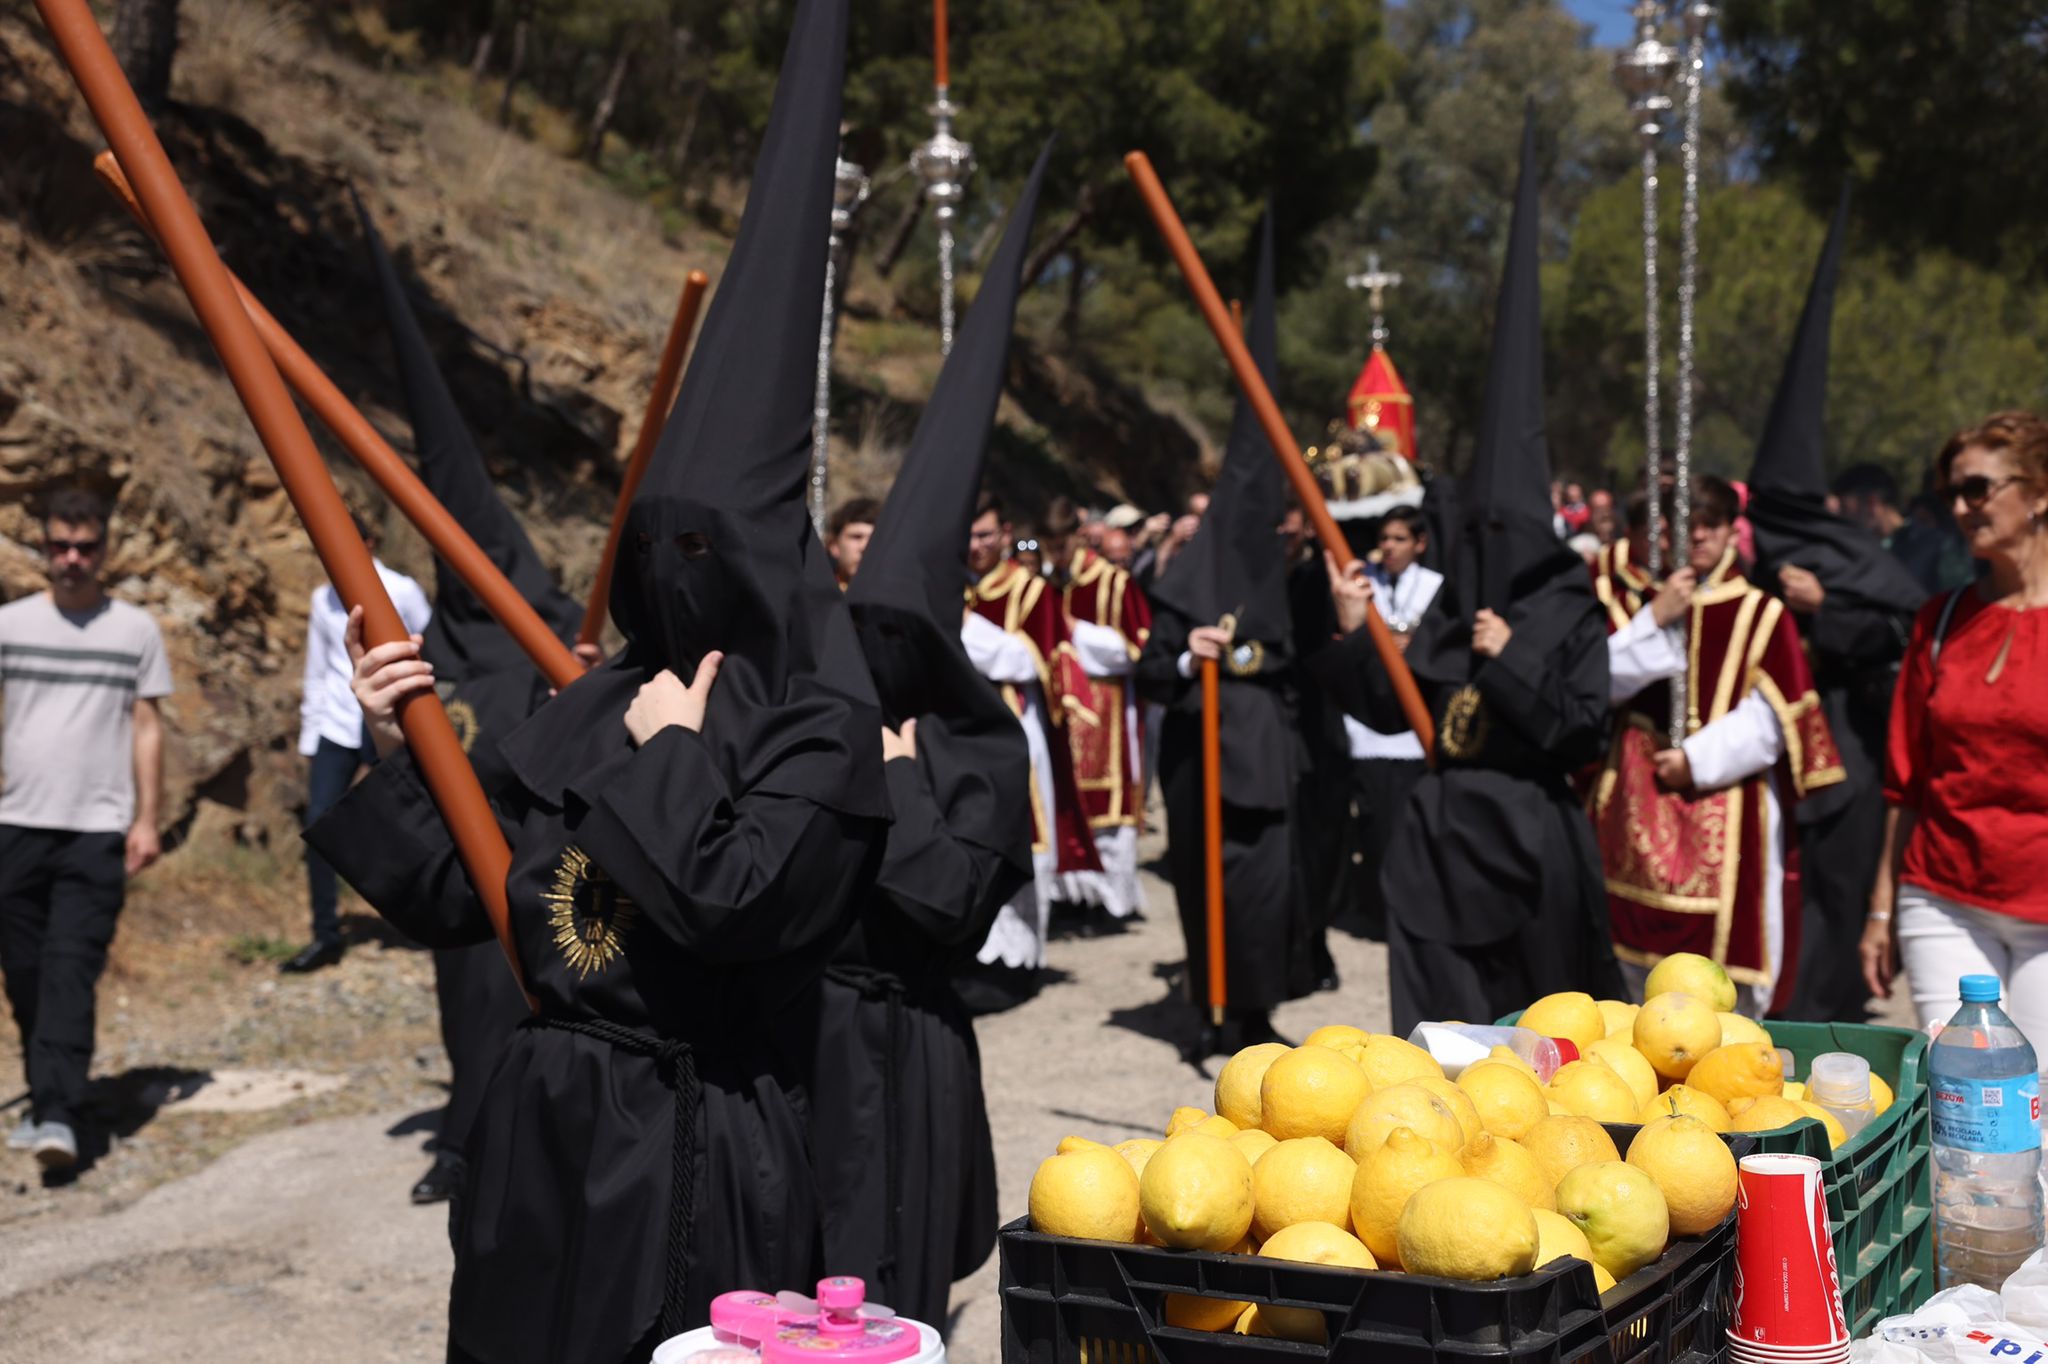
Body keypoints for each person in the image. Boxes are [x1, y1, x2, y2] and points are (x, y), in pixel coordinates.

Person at [309, 5, 892, 1356]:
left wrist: (672, 748)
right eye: (657, 548)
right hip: (542, 1134)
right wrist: (400, 735)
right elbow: (450, 889)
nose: (679, 581)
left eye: (708, 550)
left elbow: (735, 904)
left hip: (698, 1152)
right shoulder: (588, 702)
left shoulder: (823, 729)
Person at [1315, 116, 1622, 1032]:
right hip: (1435, 851)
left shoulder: (1570, 607)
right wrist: (1354, 632)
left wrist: (1511, 657)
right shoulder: (1456, 600)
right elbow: (1389, 705)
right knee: (1439, 1047)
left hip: (1531, 850)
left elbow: (1583, 733)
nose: (1484, 545)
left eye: (1500, 531)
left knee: (1544, 1047)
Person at [814, 145, 1046, 1322]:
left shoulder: (980, 745)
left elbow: (949, 901)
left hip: (908, 1040)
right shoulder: (817, 710)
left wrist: (900, 780)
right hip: (803, 1040)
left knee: (893, 1293)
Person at [354, 190, 599, 1204]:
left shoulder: (562, 630)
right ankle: (464, 1141)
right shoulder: (432, 646)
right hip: (468, 856)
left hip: (561, 863)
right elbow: (410, 761)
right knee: (468, 1000)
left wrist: (584, 679)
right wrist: (383, 723)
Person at [1741, 196, 1925, 1022]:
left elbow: (1901, 629)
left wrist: (1827, 608)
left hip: (1851, 758)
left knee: (1838, 898)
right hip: (1775, 755)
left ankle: (1834, 1018)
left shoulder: (1855, 561)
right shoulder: (1761, 554)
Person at [1138, 213, 1312, 1058]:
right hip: (1202, 761)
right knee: (1209, 888)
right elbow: (1147, 672)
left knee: (1267, 892)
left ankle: (1256, 1012)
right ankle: (1210, 1011)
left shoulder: (1288, 579)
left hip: (1267, 763)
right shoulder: (1187, 584)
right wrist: (1187, 653)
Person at [1593, 476, 1845, 1014]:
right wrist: (1655, 619)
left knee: (1725, 983)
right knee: (1625, 973)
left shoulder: (1761, 611)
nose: (1700, 536)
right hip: (1636, 796)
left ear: (1733, 529)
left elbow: (1774, 717)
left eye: (1711, 524)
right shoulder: (1636, 600)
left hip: (1730, 798)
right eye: (1689, 525)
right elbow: (1598, 682)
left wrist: (1697, 759)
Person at [1863, 412, 2048, 1051]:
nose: (1962, 508)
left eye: (1978, 489)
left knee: (2039, 1095)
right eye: (1952, 493)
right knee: (1958, 1090)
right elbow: (1905, 783)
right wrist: (1881, 910)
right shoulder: (1939, 621)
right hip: (1942, 900)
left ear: (2039, 492)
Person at [0, 485, 171, 1171]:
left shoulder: (135, 631)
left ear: (104, 551)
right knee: (25, 972)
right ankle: (47, 1095)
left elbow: (147, 726)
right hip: (15, 824)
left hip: (97, 828)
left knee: (71, 967)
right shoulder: (11, 625)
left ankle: (60, 1115)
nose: (72, 558)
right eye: (60, 546)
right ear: (43, 548)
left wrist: (147, 819)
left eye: (85, 547)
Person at [962, 494, 1098, 1007]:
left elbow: (1028, 660)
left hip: (1016, 733)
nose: (975, 546)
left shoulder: (1029, 589)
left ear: (1005, 534)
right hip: (957, 736)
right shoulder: (953, 585)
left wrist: (960, 624)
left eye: (985, 535)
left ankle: (1018, 960)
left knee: (1022, 839)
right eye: (968, 535)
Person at [287, 511, 431, 974]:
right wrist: (310, 735)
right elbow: (317, 668)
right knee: (319, 824)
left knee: (407, 821)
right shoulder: (322, 599)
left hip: (390, 724)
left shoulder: (403, 591)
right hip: (336, 724)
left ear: (369, 543)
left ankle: (423, 918)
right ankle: (325, 935)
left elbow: (431, 650)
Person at [1339, 507, 1443, 942]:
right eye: (1385, 538)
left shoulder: (1436, 586)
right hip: (1369, 725)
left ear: (1420, 543)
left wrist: (1416, 646)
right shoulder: (1362, 584)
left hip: (1415, 725)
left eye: (1400, 539)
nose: (1390, 547)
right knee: (1375, 826)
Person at [1050, 496, 1152, 929]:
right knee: (1065, 803)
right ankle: (1072, 897)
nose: (1056, 555)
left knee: (1108, 811)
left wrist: (1077, 632)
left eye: (1061, 545)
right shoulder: (1050, 584)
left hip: (1105, 709)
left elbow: (1136, 650)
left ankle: (1112, 901)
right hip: (1063, 709)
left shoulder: (1114, 582)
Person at [826, 497, 881, 588]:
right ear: (834, 545)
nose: (865, 547)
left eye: (874, 538)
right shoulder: (814, 593)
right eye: (856, 537)